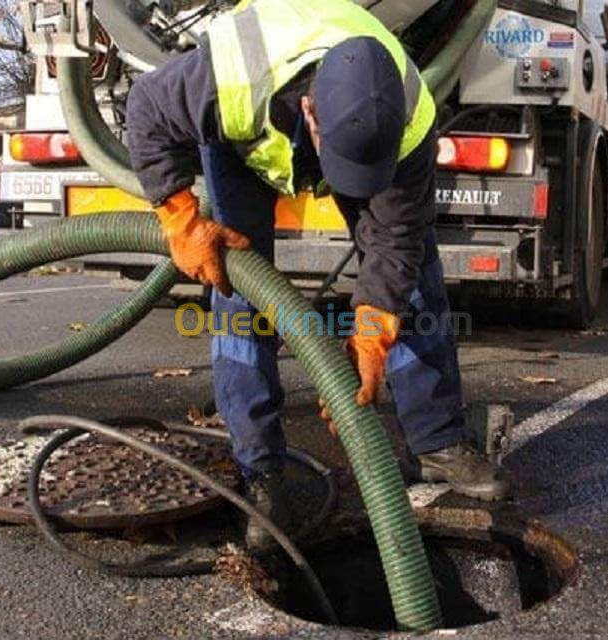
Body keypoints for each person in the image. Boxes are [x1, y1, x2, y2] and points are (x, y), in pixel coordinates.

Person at [127, 0, 509, 548]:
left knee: (414, 273)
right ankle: (261, 469)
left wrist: (372, 333)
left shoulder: (411, 113)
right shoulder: (224, 81)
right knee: (239, 289)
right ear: (311, 112)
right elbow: (145, 108)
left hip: (352, 137)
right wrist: (180, 219)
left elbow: (394, 242)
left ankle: (435, 442)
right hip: (244, 145)